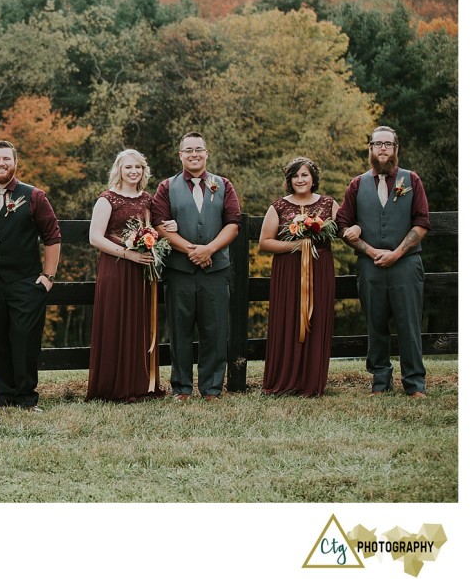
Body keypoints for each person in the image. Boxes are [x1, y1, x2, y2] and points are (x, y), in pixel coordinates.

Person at [0, 140, 61, 411]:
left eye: (6, 158)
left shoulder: (34, 196)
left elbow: (52, 236)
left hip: (26, 283)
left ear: (15, 163)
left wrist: (48, 276)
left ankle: (26, 398)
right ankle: (5, 397)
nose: (1, 163)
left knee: (25, 340)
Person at [336, 126, 430, 398]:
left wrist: (396, 253)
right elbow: (342, 224)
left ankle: (414, 383)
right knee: (375, 323)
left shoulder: (411, 180)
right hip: (370, 266)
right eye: (378, 144)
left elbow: (422, 222)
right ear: (370, 149)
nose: (383, 148)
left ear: (396, 149)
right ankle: (380, 381)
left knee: (409, 325)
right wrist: (368, 249)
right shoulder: (357, 184)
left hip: (406, 264)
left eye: (388, 144)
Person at [151, 131, 241, 401]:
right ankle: (182, 388)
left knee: (215, 330)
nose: (194, 154)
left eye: (198, 149)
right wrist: (193, 251)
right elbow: (159, 225)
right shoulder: (166, 187)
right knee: (179, 330)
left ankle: (212, 388)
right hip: (179, 271)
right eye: (188, 150)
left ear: (206, 154)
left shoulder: (223, 184)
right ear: (180, 155)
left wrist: (209, 249)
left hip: (215, 271)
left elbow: (233, 224)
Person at [86, 149, 176, 402]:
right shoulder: (107, 199)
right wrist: (128, 255)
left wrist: (171, 226)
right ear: (119, 170)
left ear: (143, 170)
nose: (133, 171)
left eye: (138, 167)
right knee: (116, 322)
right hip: (116, 268)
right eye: (128, 167)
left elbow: (155, 227)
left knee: (139, 323)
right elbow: (95, 238)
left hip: (141, 271)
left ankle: (139, 383)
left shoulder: (147, 199)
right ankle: (113, 386)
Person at [258, 157, 339, 397]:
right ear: (289, 180)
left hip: (320, 268)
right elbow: (265, 242)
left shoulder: (328, 203)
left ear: (313, 178)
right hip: (288, 271)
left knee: (317, 318)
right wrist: (296, 245)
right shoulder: (278, 206)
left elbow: (346, 229)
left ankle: (312, 381)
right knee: (288, 319)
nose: (300, 180)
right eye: (295, 176)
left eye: (304, 175)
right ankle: (284, 380)